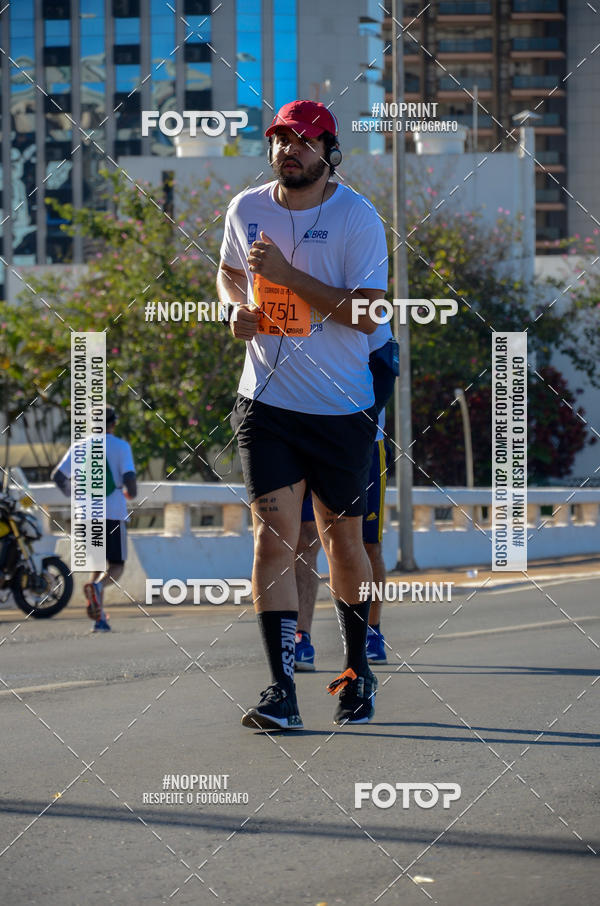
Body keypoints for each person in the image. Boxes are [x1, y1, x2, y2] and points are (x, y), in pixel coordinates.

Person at [217, 99, 388, 730]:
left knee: (344, 540)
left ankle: (356, 672)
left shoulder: (357, 217)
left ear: (328, 151)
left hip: (340, 406)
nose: (288, 151)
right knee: (273, 537)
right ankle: (279, 689)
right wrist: (234, 308)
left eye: (302, 141)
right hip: (265, 401)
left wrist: (288, 275)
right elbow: (230, 273)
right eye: (279, 141)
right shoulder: (247, 208)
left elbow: (369, 314)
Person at [295, 326, 397, 670]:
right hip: (303, 439)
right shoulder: (295, 301)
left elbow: (385, 370)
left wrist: (356, 426)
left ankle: (370, 630)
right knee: (303, 540)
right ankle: (300, 638)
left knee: (364, 545)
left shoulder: (364, 306)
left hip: (361, 443)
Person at [52, 406, 137, 632]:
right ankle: (98, 588)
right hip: (113, 515)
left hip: (85, 516)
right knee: (117, 566)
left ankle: (99, 620)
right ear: (113, 423)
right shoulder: (121, 447)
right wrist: (131, 492)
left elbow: (58, 476)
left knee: (98, 563)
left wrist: (75, 494)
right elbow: (130, 480)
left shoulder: (79, 446)